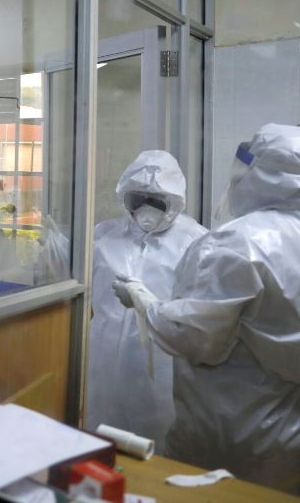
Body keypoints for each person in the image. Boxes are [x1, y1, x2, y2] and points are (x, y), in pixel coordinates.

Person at [114, 123, 300, 494]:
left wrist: (142, 298)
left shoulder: (236, 244)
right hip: (288, 429)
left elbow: (193, 337)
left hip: (231, 432)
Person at [85, 150, 206, 454]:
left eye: (157, 199)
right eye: (137, 198)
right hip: (103, 356)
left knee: (157, 434)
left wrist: (144, 302)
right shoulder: (104, 235)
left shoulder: (197, 242)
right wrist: (56, 247)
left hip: (161, 361)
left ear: (175, 200)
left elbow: (198, 315)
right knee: (101, 429)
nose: (145, 208)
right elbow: (77, 283)